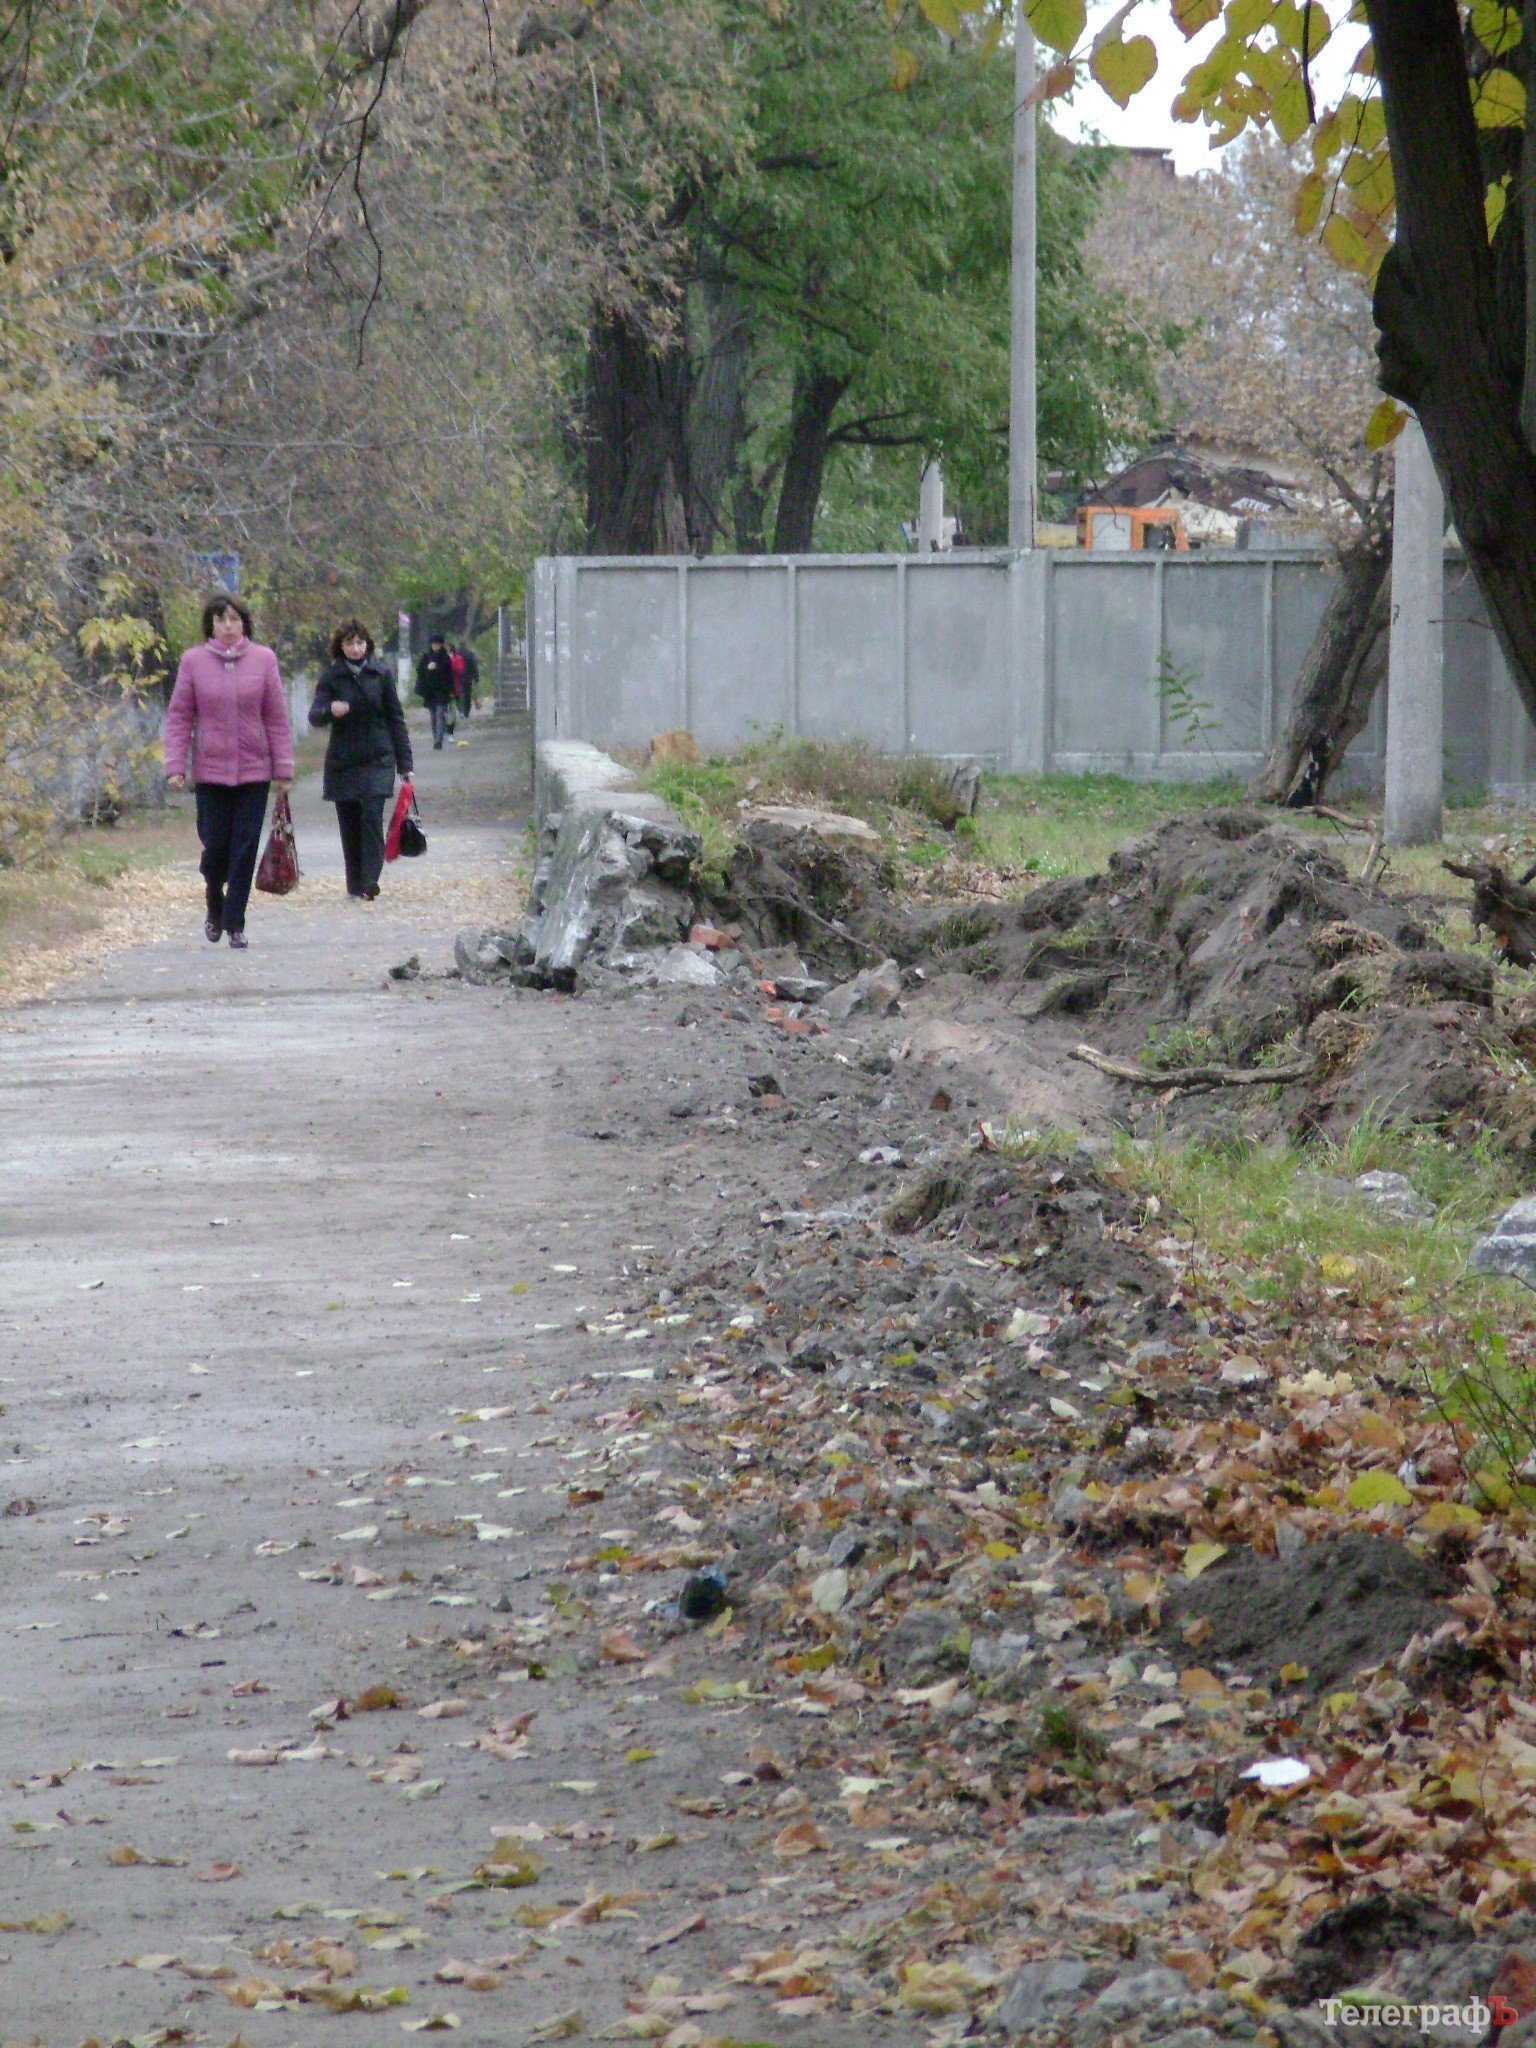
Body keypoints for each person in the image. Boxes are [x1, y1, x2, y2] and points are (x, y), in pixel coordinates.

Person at [164, 594, 294, 950]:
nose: (228, 626)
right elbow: (179, 717)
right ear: (211, 625)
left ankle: (235, 922)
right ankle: (214, 901)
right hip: (210, 772)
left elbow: (276, 718)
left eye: (234, 619)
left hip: (254, 771)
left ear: (244, 624)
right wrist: (175, 764)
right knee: (215, 846)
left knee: (244, 846)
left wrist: (283, 768)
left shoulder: (263, 660)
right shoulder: (193, 661)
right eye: (221, 619)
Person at [310, 618, 413, 901]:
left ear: (367, 644)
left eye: (360, 642)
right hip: (344, 760)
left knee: (371, 815)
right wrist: (331, 710)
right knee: (350, 822)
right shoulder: (332, 677)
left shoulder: (380, 674)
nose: (355, 648)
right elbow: (315, 715)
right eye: (349, 643)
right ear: (340, 646)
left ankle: (370, 879)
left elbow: (395, 719)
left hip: (378, 758)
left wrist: (405, 764)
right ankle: (354, 884)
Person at [416, 633, 456, 749]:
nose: (435, 646)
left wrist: (451, 690)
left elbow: (449, 675)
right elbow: (420, 670)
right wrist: (427, 668)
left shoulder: (445, 657)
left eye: (437, 644)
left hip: (442, 691)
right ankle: (436, 737)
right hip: (430, 691)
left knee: (440, 714)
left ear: (441, 645)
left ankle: (438, 741)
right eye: (433, 644)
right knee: (433, 716)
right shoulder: (426, 656)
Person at [455, 642, 480, 718]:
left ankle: (460, 710)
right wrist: (476, 678)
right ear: (466, 645)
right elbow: (474, 666)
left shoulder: (455, 654)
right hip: (467, 678)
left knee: (458, 694)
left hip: (457, 677)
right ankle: (466, 712)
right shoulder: (470, 654)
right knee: (467, 695)